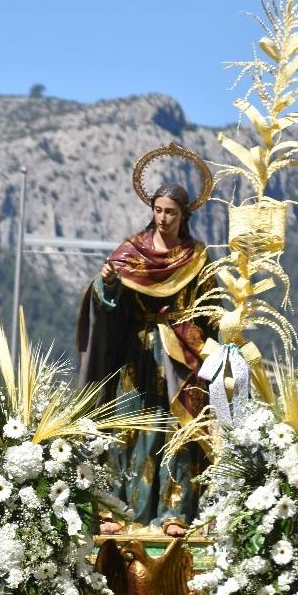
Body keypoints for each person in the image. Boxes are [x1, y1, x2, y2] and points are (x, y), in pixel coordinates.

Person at [76, 180, 211, 535]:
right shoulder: (131, 251)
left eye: (171, 212)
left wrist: (210, 339)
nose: (163, 218)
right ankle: (116, 511)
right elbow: (106, 300)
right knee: (127, 427)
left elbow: (207, 308)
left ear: (183, 216)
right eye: (158, 210)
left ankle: (173, 512)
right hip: (137, 352)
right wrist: (106, 283)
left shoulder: (195, 256)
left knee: (177, 431)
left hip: (180, 356)